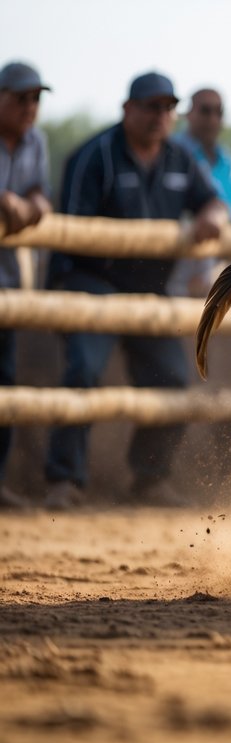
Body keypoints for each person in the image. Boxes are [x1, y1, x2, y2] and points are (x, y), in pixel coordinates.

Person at [42, 71, 229, 510]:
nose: (159, 116)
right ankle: (63, 481)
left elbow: (213, 200)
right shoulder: (95, 156)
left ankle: (149, 479)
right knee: (83, 373)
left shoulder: (180, 157)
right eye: (150, 106)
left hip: (150, 291)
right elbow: (69, 232)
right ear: (127, 109)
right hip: (92, 284)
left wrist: (216, 213)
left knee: (174, 381)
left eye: (167, 108)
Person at [0, 61, 54, 509]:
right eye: (20, 98)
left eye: (35, 99)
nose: (30, 107)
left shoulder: (36, 140)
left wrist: (33, 201)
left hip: (8, 287)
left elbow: (40, 193)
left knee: (4, 381)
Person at [167, 87, 231, 298]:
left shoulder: (230, 163)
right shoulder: (172, 153)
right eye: (205, 110)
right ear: (189, 113)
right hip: (176, 256)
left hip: (221, 260)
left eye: (218, 112)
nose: (212, 118)